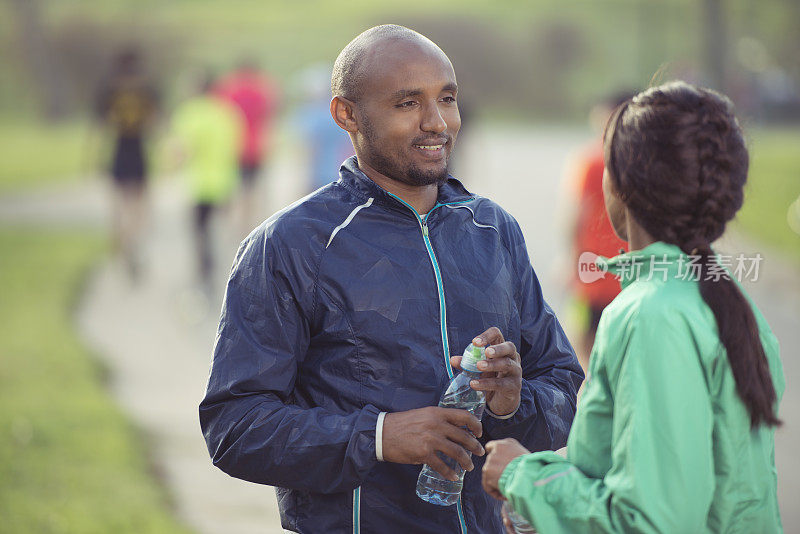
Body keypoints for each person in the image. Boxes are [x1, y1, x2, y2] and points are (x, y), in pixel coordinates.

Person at [199, 25, 583, 534]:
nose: (437, 123)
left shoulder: (494, 230)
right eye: (407, 103)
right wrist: (379, 436)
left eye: (447, 98)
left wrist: (513, 403)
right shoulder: (291, 245)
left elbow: (564, 386)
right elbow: (235, 427)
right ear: (346, 114)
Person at [482, 81, 785, 533]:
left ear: (621, 183)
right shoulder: (724, 299)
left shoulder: (650, 315)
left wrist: (523, 476)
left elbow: (652, 521)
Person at [567, 91, 634, 370]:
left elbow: (575, 219)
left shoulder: (593, 161)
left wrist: (572, 264)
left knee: (587, 345)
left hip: (594, 272)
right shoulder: (648, 161)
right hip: (634, 271)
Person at [172, 73, 242, 292]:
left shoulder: (189, 113)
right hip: (225, 181)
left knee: (200, 231)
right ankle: (227, 269)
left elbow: (181, 150)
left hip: (200, 185)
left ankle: (204, 273)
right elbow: (236, 144)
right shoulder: (227, 112)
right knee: (220, 227)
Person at [94, 47, 159, 281]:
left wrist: (95, 156)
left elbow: (101, 126)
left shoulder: (110, 88)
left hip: (119, 149)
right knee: (140, 204)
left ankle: (123, 240)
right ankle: (134, 240)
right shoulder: (146, 88)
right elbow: (154, 121)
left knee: (120, 204)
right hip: (139, 149)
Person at [215, 59, 279, 234]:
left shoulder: (228, 89)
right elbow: (270, 118)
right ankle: (248, 225)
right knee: (252, 188)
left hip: (232, 145)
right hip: (256, 146)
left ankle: (233, 224)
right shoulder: (263, 89)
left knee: (233, 187)